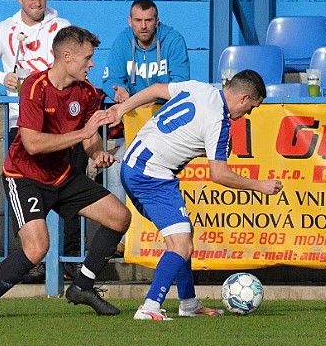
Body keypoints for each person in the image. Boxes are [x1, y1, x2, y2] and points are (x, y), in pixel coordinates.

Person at [0, 26, 131, 318]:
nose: (92, 63)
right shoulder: (35, 87)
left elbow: (89, 137)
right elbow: (33, 144)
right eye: (87, 57)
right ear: (66, 56)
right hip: (24, 177)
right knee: (37, 248)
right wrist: (82, 134)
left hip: (61, 175)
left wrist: (95, 151)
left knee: (119, 216)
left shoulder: (86, 92)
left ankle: (83, 286)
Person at [107, 70, 283, 321]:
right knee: (181, 244)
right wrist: (260, 186)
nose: (247, 114)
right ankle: (149, 307)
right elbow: (219, 174)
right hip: (151, 174)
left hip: (134, 163)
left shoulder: (200, 88)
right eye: (251, 108)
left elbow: (157, 89)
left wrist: (122, 109)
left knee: (183, 235)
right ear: (243, 98)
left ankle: (188, 303)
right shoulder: (220, 122)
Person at [0, 0, 84, 282]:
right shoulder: (5, 30)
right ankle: (31, 256)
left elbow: (78, 62)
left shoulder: (60, 26)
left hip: (61, 121)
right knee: (22, 186)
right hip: (22, 122)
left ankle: (69, 259)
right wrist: (3, 79)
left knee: (72, 184)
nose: (38, 2)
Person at [101, 0, 190, 256]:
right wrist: (118, 92)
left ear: (157, 21)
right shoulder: (122, 41)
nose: (143, 26)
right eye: (138, 20)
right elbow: (111, 79)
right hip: (135, 128)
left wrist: (147, 97)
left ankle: (165, 237)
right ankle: (121, 238)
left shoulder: (173, 41)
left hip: (167, 127)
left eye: (148, 20)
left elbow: (180, 85)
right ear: (130, 21)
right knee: (117, 171)